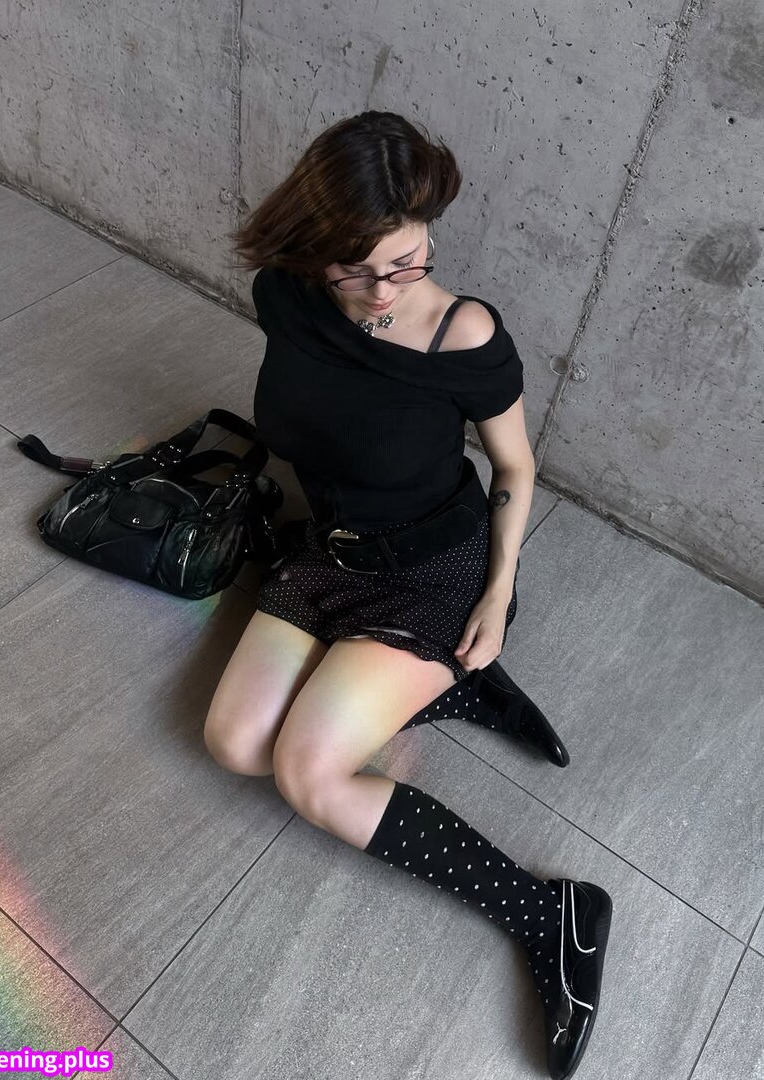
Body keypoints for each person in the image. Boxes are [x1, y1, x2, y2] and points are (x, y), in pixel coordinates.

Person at [204, 110, 612, 1080]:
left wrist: (497, 592)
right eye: (358, 268)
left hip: (436, 569)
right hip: (332, 552)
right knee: (234, 743)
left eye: (407, 260)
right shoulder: (285, 295)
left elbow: (515, 467)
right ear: (312, 247)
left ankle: (551, 914)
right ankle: (454, 689)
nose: (386, 288)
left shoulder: (461, 333)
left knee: (309, 774)